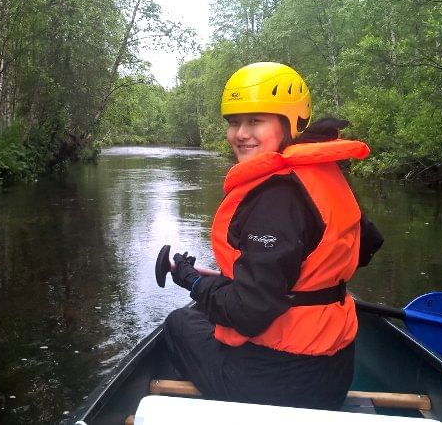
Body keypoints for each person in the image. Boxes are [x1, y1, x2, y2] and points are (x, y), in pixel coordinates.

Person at [163, 61, 384, 410]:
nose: (240, 134)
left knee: (179, 322)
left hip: (279, 384)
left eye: (255, 121)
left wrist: (192, 281)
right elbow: (366, 243)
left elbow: (249, 313)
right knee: (203, 314)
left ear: (291, 123)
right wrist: (306, 283)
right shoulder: (322, 172)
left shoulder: (276, 196)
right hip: (335, 372)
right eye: (234, 122)